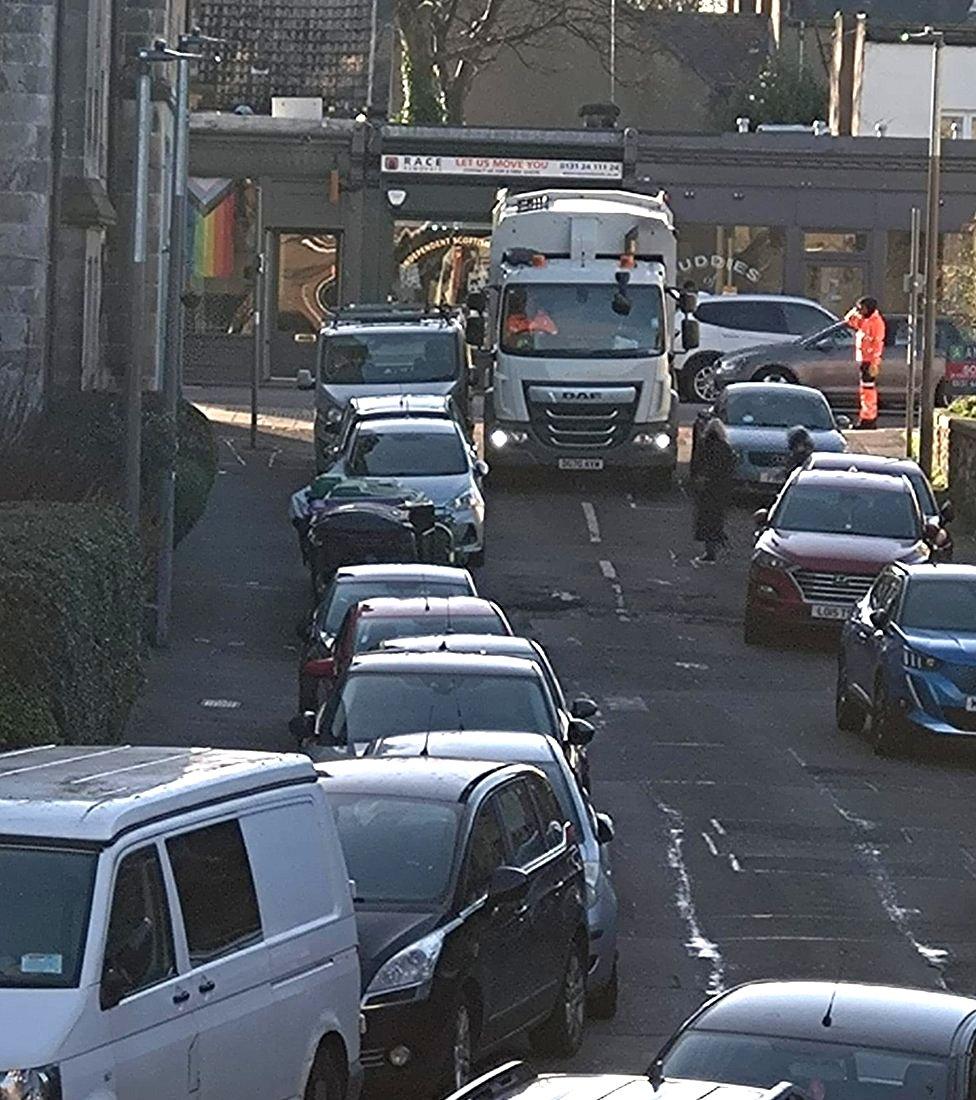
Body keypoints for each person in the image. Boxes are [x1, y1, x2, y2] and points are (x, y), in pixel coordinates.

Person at [691, 417, 736, 564]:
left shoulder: (706, 446)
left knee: (707, 522)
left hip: (708, 491)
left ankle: (711, 552)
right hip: (721, 491)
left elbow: (700, 465)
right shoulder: (726, 448)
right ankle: (720, 543)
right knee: (717, 520)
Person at [844, 296, 886, 429]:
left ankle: (869, 419)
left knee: (868, 391)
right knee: (865, 391)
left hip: (870, 362)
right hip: (864, 360)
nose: (861, 311)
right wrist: (854, 310)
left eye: (862, 308)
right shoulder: (865, 320)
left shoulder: (876, 322)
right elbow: (849, 321)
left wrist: (874, 363)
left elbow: (878, 344)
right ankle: (866, 417)